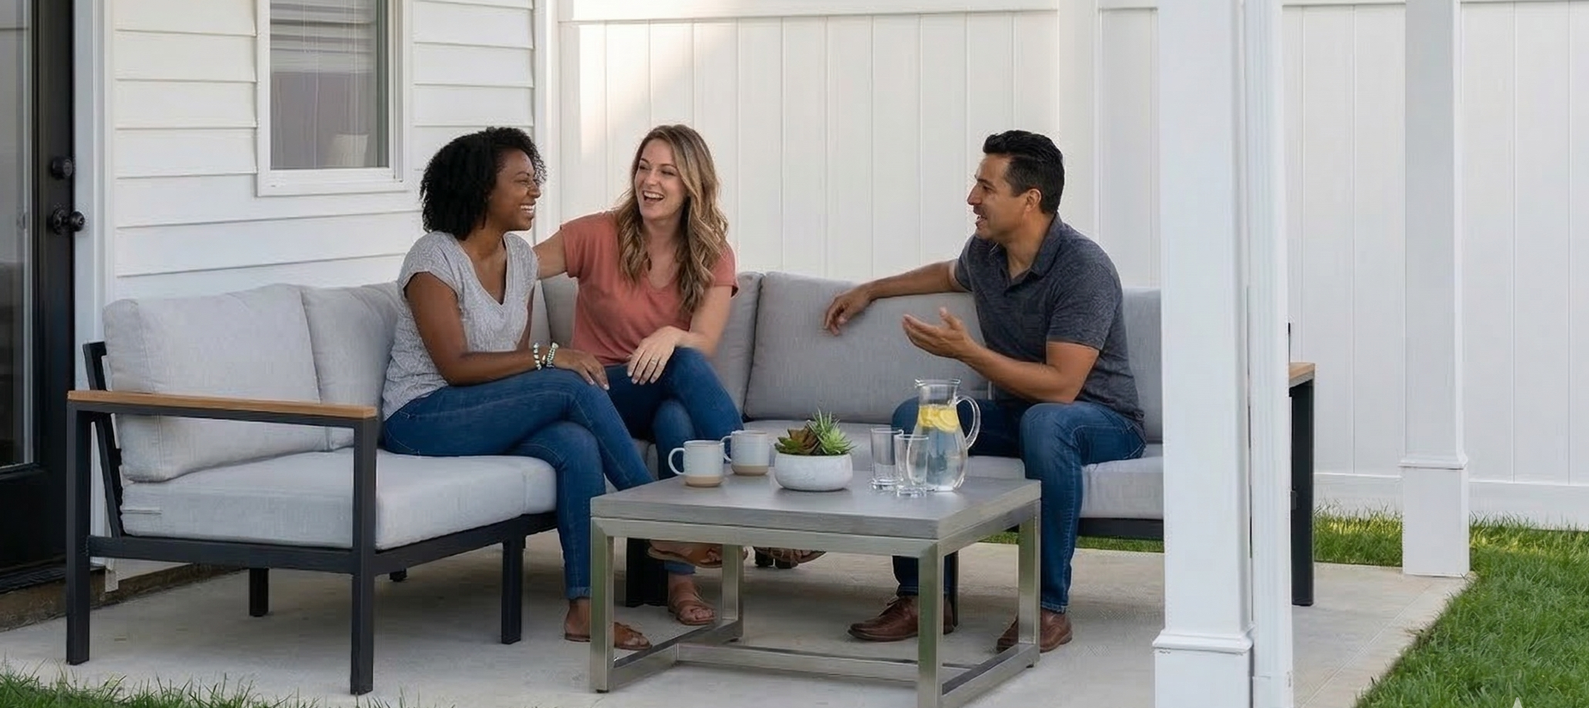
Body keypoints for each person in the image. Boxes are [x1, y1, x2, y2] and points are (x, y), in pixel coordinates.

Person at [381, 126, 710, 651]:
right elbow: (457, 366)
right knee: (569, 384)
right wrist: (548, 356)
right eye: (522, 182)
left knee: (576, 445)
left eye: (535, 180)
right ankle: (653, 518)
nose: (534, 191)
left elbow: (508, 361)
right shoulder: (434, 258)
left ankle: (584, 611)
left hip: (478, 411)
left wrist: (539, 368)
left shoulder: (522, 259)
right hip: (422, 416)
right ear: (482, 191)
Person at [822, 130, 1146, 654]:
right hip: (1023, 415)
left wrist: (968, 353)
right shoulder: (987, 253)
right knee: (917, 416)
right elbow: (946, 273)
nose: (972, 198)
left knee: (1046, 421)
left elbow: (1063, 387)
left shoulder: (1082, 268)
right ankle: (924, 597)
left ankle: (1047, 608)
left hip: (1099, 419)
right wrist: (871, 289)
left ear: (1029, 200)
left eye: (985, 186)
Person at [536, 123, 797, 629]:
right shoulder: (594, 233)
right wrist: (537, 351)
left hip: (656, 394)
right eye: (643, 167)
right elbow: (515, 270)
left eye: (667, 172)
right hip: (598, 389)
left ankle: (680, 582)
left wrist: (670, 335)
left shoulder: (711, 251)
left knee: (678, 416)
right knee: (685, 365)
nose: (649, 181)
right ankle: (764, 506)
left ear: (692, 185)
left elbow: (703, 339)